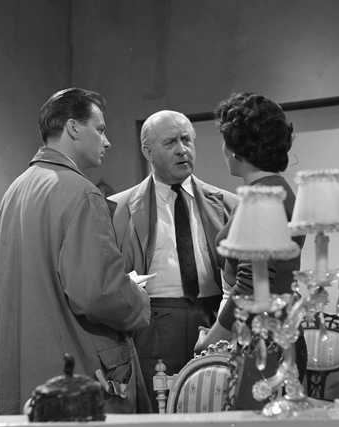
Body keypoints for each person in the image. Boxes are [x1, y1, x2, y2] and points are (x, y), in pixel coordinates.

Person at [0, 88, 152, 415]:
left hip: (24, 373)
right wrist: (139, 299)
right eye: (100, 129)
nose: (107, 142)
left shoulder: (15, 191)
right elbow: (99, 294)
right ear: (73, 128)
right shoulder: (82, 193)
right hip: (75, 377)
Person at [109, 110, 238, 409]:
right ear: (147, 151)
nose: (182, 150)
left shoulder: (228, 203)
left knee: (215, 411)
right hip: (153, 323)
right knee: (155, 414)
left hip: (213, 319)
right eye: (170, 143)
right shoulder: (118, 208)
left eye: (186, 140)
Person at [194, 93, 308, 405]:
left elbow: (250, 288)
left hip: (263, 342)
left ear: (235, 149)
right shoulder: (275, 191)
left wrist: (209, 341)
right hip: (270, 334)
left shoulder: (263, 199)